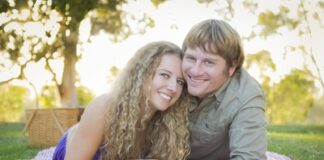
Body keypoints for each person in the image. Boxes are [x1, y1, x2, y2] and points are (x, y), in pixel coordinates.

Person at [52, 41, 190, 160]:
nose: (173, 87)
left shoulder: (168, 122)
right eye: (165, 75)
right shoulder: (103, 107)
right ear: (142, 74)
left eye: (180, 81)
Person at [181, 19, 267, 160]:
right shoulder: (171, 74)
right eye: (190, 58)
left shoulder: (246, 95)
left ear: (231, 68)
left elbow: (248, 157)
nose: (195, 71)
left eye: (208, 62)